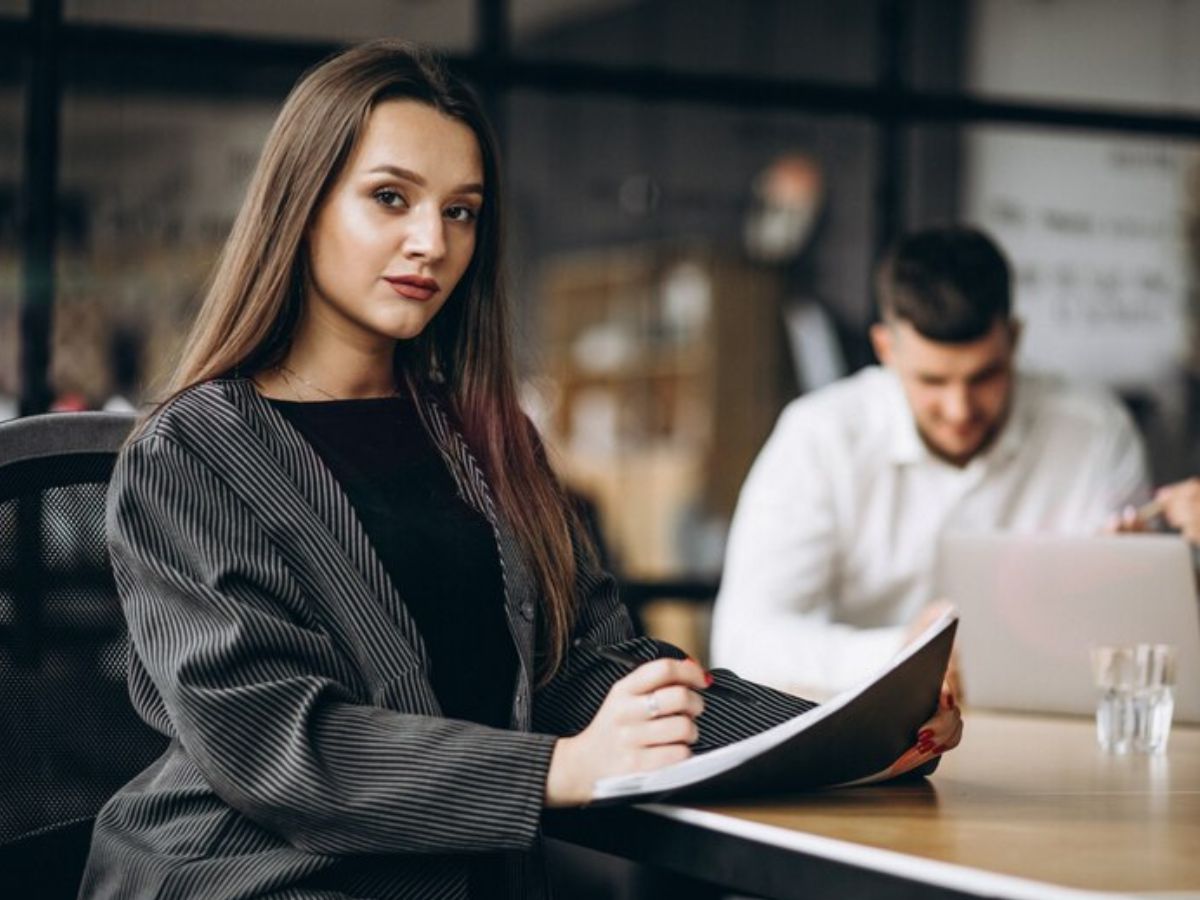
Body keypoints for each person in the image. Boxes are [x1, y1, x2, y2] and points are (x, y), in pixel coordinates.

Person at [79, 41, 960, 900]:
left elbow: (593, 668)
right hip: (247, 874)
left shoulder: (485, 438)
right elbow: (278, 742)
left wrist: (850, 735)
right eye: (391, 198)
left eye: (461, 210)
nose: (432, 241)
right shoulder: (188, 455)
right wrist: (558, 769)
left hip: (470, 870)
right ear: (302, 206)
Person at [711, 225, 1150, 698]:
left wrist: (1126, 587)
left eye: (985, 375)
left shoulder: (1095, 433)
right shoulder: (818, 438)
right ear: (886, 351)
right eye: (932, 380)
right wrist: (901, 653)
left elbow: (1137, 636)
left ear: (1015, 339)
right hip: (861, 734)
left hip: (1048, 724)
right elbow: (743, 641)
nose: (960, 410)